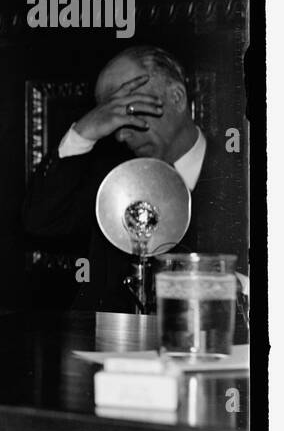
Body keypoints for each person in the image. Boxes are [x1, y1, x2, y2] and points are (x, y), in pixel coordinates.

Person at [23, 45, 248, 311]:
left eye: (129, 111)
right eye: (110, 116)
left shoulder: (244, 176)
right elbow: (41, 221)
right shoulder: (111, 179)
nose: (120, 135)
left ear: (176, 97)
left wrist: (229, 285)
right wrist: (83, 133)